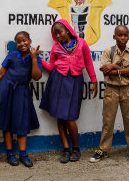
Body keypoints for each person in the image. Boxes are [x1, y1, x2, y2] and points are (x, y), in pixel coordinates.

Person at [40, 19, 97, 163]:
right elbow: (52, 67)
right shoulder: (56, 48)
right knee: (60, 116)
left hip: (76, 81)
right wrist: (37, 59)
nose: (58, 36)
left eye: (60, 32)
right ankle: (66, 149)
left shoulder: (81, 43)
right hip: (58, 81)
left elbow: (88, 62)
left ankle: (76, 148)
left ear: (68, 30)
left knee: (70, 117)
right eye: (55, 34)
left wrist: (94, 80)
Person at [89, 25, 129, 164]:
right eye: (119, 35)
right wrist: (122, 69)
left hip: (127, 89)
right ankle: (103, 150)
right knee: (108, 121)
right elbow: (105, 70)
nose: (122, 37)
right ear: (114, 36)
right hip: (111, 89)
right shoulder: (109, 51)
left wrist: (114, 67)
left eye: (125, 35)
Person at [0, 31, 42, 168]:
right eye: (19, 41)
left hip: (22, 92)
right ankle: (10, 154)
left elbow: (37, 77)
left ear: (30, 41)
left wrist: (34, 58)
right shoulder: (12, 56)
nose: (22, 43)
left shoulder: (36, 58)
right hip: (5, 90)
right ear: (16, 44)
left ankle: (23, 154)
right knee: (7, 123)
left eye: (24, 40)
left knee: (22, 123)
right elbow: (0, 73)